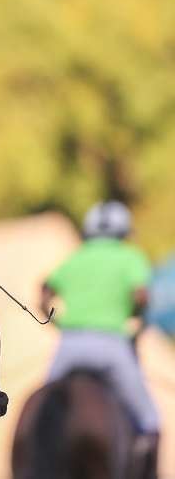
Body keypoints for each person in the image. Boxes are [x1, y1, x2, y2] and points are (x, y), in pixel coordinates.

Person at [41, 200, 160, 475]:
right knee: (150, 421)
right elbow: (141, 295)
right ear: (124, 231)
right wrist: (137, 317)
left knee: (43, 413)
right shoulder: (131, 256)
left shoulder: (77, 256)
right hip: (112, 346)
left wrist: (56, 321)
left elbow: (45, 292)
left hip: (69, 345)